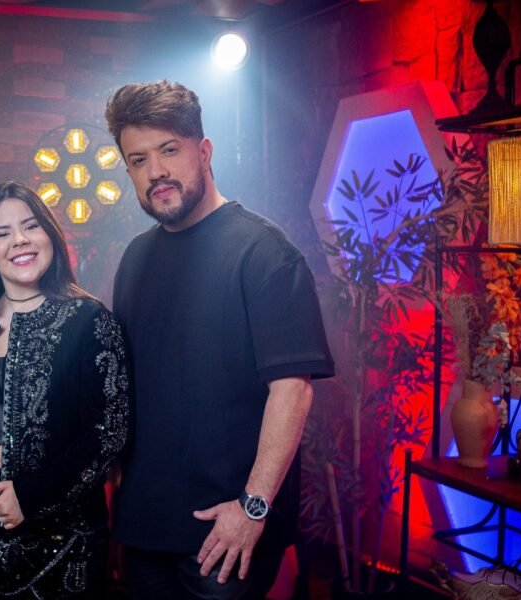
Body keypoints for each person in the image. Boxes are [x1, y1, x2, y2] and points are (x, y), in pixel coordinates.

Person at [106, 80, 334, 599]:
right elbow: (133, 388)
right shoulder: (135, 258)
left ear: (204, 152)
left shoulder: (265, 252)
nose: (156, 171)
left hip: (226, 532)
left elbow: (292, 391)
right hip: (145, 528)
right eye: (138, 160)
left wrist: (253, 508)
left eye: (169, 150)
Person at [0, 181, 132, 598]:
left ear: (50, 236)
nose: (19, 240)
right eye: (2, 233)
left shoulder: (89, 321)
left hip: (64, 536)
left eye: (31, 226)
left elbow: (108, 434)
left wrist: (30, 496)